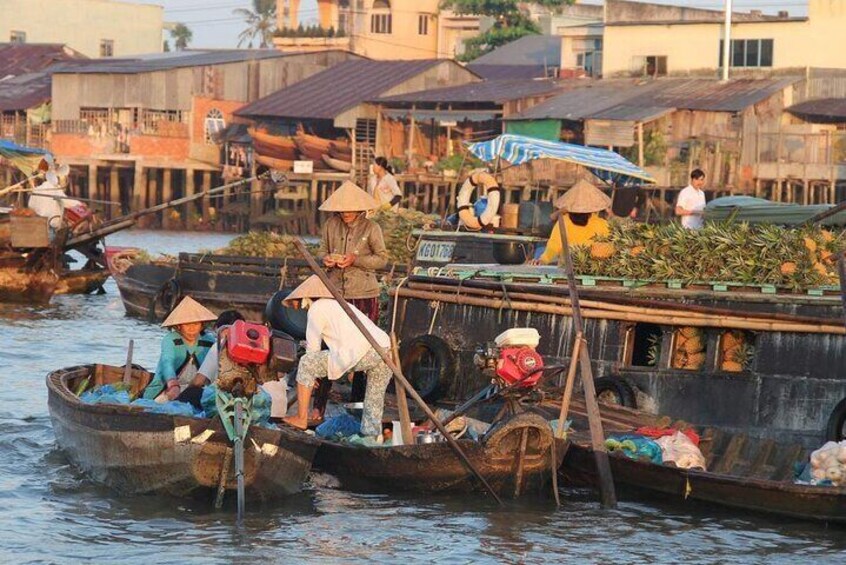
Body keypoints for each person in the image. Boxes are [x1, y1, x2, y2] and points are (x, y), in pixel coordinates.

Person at [282, 275, 392, 439]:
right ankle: (370, 438)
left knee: (306, 363)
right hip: (384, 348)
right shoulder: (339, 305)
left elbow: (312, 349)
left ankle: (301, 418)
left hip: (364, 349)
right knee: (373, 399)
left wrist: (311, 375)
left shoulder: (317, 308)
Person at [316, 180, 388, 412]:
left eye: (351, 209)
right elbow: (320, 251)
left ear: (360, 209)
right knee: (329, 344)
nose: (346, 213)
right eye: (342, 209)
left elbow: (382, 259)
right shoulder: (330, 225)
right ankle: (319, 403)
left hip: (363, 293)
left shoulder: (371, 228)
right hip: (335, 292)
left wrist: (355, 260)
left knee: (364, 348)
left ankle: (357, 403)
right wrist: (326, 259)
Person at [143, 296, 217, 403]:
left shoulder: (209, 341)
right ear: (179, 326)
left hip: (195, 392)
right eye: (187, 324)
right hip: (166, 390)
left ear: (201, 325)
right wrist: (173, 384)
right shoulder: (170, 339)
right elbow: (167, 362)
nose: (192, 329)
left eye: (196, 324)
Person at [535, 179, 611, 265]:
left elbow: (608, 248)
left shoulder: (601, 224)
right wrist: (543, 260)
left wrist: (544, 260)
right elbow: (554, 245)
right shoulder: (564, 221)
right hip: (569, 269)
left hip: (585, 269)